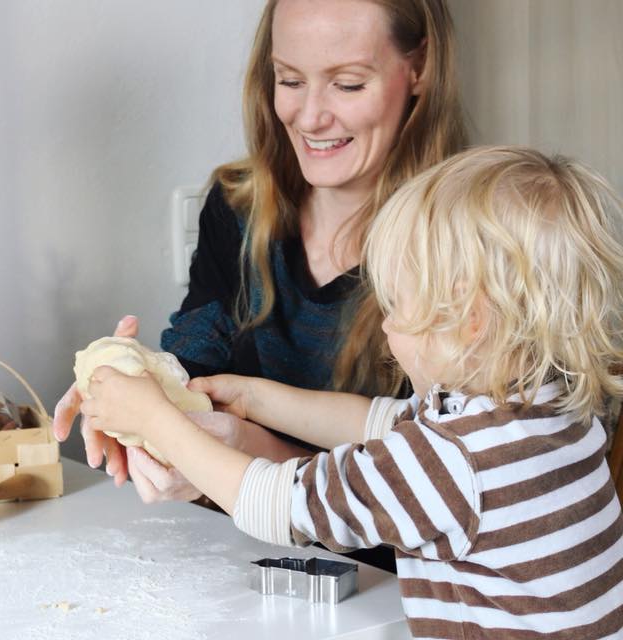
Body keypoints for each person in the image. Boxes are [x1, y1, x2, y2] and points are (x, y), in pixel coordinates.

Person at [82, 146, 623, 638]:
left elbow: (276, 504)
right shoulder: (546, 411)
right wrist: (254, 398)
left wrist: (155, 422)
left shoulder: (454, 463)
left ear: (469, 319)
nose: (385, 325)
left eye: (398, 306)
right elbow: (379, 422)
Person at [54, 0, 467, 517]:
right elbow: (196, 368)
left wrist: (241, 449)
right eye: (290, 80)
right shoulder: (238, 207)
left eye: (348, 84)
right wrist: (132, 385)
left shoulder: (468, 251)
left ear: (419, 67)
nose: (310, 116)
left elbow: (434, 489)